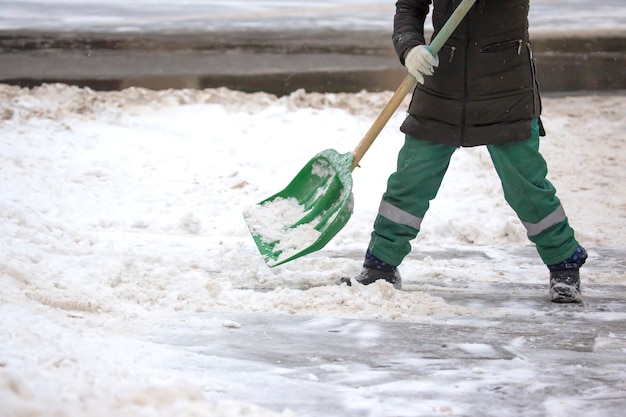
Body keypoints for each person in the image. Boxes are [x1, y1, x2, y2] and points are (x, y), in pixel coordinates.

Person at [341, 0, 587, 303]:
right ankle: (381, 264)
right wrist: (410, 47)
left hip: (505, 85)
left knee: (525, 186)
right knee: (410, 181)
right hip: (442, 83)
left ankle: (564, 263)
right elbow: (409, 7)